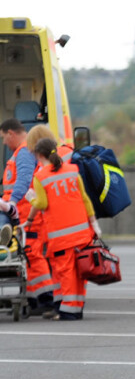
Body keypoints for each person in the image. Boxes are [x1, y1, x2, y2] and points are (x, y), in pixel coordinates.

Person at [26, 138, 100, 321]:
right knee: (79, 271)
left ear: (39, 155)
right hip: (82, 232)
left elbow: (42, 203)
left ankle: (69, 312)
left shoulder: (41, 177)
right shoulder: (72, 170)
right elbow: (84, 199)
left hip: (60, 235)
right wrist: (94, 223)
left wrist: (31, 199)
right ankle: (75, 308)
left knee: (65, 272)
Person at [0, 118, 56, 314]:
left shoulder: (23, 152)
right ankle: (33, 302)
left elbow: (23, 181)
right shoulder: (23, 152)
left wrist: (12, 203)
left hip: (22, 212)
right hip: (22, 213)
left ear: (11, 133)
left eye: (4, 138)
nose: (4, 143)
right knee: (29, 258)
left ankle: (46, 301)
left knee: (33, 257)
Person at [24, 124, 75, 316]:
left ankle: (61, 306)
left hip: (57, 221)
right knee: (60, 265)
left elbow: (44, 198)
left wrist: (31, 205)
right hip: (64, 220)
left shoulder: (49, 163)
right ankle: (61, 305)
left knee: (60, 265)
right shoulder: (66, 154)